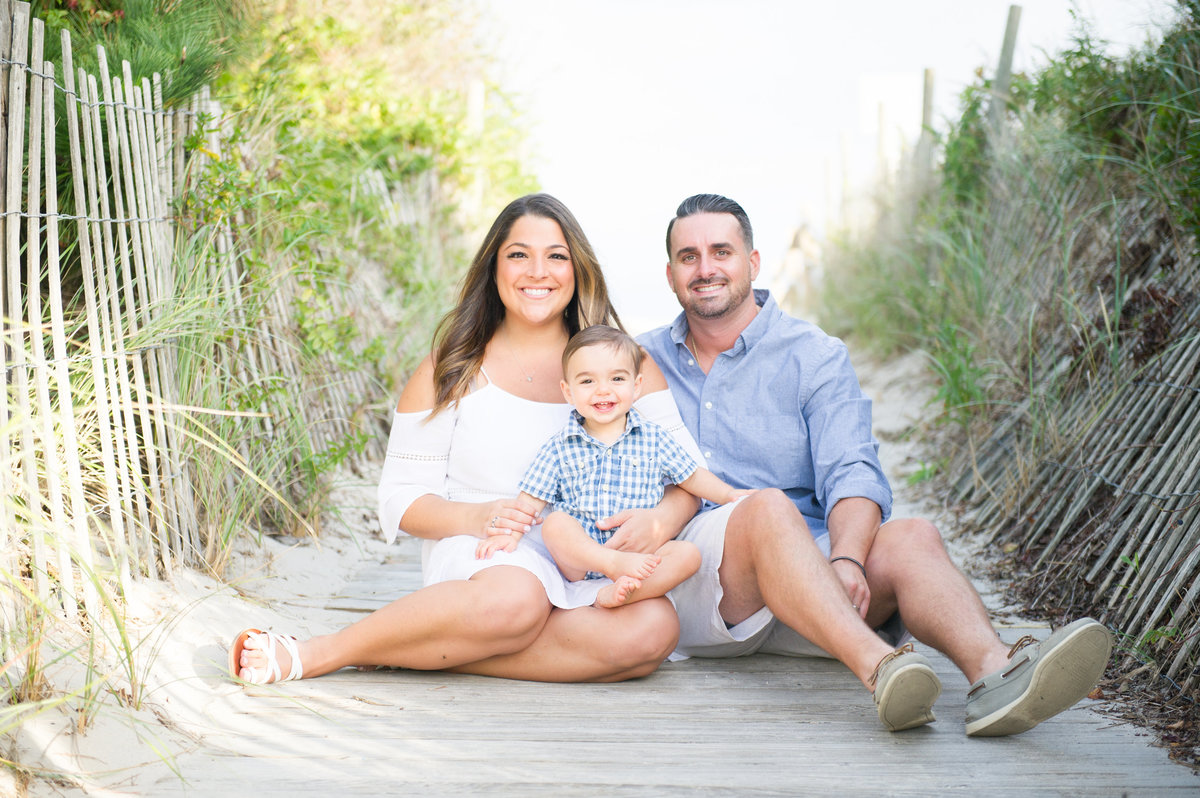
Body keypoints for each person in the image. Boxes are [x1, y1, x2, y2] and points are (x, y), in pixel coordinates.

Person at [636, 193, 1112, 735]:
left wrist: (847, 560)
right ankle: (881, 668)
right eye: (688, 256)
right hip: (703, 585)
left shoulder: (813, 355)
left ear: (753, 262)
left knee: (913, 536)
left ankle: (997, 675)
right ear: (671, 274)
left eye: (720, 251)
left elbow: (851, 471)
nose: (705, 269)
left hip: (811, 598)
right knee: (766, 509)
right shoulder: (636, 361)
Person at [229, 194, 701, 685]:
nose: (538, 271)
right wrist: (478, 516)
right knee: (516, 599)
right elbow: (398, 498)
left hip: (590, 560)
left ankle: (418, 646)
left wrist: (659, 520)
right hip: (484, 555)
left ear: (578, 269)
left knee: (653, 629)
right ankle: (324, 651)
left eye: (556, 256)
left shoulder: (621, 367)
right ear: (493, 268)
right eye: (518, 254)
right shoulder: (454, 365)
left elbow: (689, 477)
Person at [476, 324, 753, 609]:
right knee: (556, 524)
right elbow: (530, 500)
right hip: (580, 564)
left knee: (688, 555)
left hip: (640, 559)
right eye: (587, 382)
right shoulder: (559, 447)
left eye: (617, 378)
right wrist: (508, 536)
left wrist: (728, 494)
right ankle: (610, 566)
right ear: (568, 392)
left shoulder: (654, 438)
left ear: (636, 386)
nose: (603, 390)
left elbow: (691, 476)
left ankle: (622, 594)